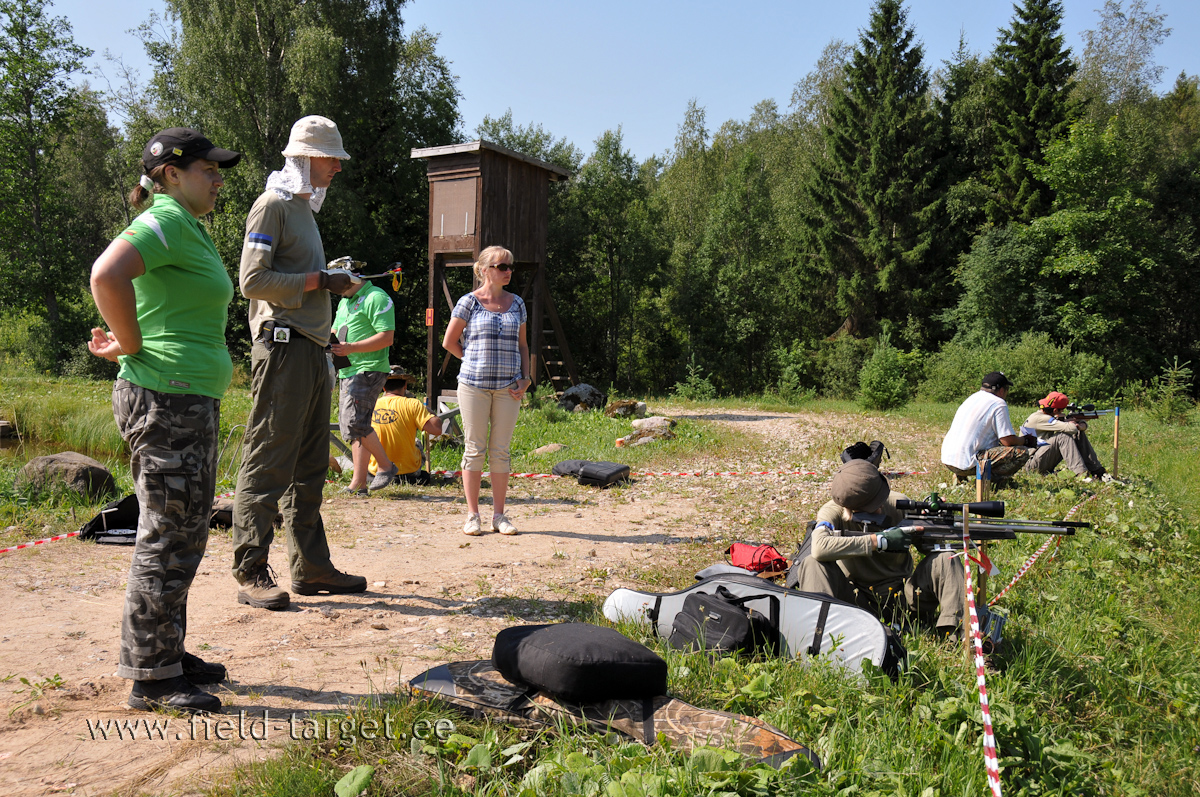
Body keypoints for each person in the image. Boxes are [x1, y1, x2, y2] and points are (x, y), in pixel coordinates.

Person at [87, 128, 241, 713]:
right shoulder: (165, 219)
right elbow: (107, 274)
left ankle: (166, 650)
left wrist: (129, 340)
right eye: (209, 168)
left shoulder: (187, 224)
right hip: (164, 400)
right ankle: (152, 677)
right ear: (171, 174)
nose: (219, 177)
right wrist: (129, 342)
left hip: (183, 399)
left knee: (186, 529)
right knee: (166, 532)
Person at [231, 115, 365, 610]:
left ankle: (310, 568)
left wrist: (331, 281)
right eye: (331, 158)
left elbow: (302, 277)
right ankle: (249, 569)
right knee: (268, 457)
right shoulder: (272, 205)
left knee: (309, 465)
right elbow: (252, 282)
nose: (337, 167)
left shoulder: (305, 209)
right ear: (305, 158)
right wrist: (319, 282)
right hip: (282, 345)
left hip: (310, 347)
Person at [788, 460, 965, 637]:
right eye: (872, 508)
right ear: (849, 509)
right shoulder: (832, 511)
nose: (880, 508)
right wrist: (878, 541)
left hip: (903, 599)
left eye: (881, 501)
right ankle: (819, 637)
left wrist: (936, 525)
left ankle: (960, 636)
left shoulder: (900, 504)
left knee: (946, 558)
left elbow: (932, 549)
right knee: (812, 564)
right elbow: (819, 548)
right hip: (855, 602)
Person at [441, 245, 531, 536]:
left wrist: (526, 378)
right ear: (483, 270)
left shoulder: (517, 303)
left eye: (509, 266)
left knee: (500, 451)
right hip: (473, 387)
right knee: (474, 448)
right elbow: (449, 342)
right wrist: (471, 360)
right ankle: (472, 515)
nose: (508, 271)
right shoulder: (469, 302)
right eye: (501, 266)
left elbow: (523, 345)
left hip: (509, 388)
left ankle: (500, 516)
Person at [330, 276, 397, 494]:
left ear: (350, 279)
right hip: (347, 370)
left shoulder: (376, 297)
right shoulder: (343, 301)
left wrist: (352, 347)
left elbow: (387, 337)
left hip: (369, 368)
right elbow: (335, 333)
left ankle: (386, 466)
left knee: (353, 423)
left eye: (335, 282)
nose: (333, 288)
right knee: (357, 426)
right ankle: (359, 483)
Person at [940, 371, 1036, 483]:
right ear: (1001, 390)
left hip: (948, 460)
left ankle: (960, 478)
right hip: (967, 464)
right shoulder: (999, 403)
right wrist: (1025, 440)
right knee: (1021, 452)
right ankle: (991, 482)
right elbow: (1007, 441)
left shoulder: (972, 398)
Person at [362, 367, 444, 486]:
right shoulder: (413, 404)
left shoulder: (372, 404)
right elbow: (437, 429)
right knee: (417, 443)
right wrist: (430, 412)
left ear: (383, 387)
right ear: (405, 385)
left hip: (377, 472)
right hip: (408, 473)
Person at [1022, 391, 1115, 483]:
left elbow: (1074, 428)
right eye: (1061, 410)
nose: (1062, 412)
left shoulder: (1042, 417)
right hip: (1030, 465)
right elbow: (1072, 428)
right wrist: (1077, 424)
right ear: (1055, 410)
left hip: (1037, 459)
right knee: (1063, 436)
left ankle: (1097, 471)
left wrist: (1080, 424)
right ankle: (1080, 474)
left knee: (1076, 433)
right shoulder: (1040, 418)